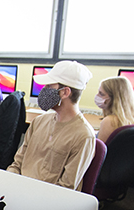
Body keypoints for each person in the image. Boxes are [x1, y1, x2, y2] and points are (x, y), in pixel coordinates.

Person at [6, 60, 96, 191]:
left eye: (48, 86)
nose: (43, 90)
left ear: (65, 92)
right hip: (19, 189)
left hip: (45, 200)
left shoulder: (84, 136)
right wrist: (7, 182)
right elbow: (17, 163)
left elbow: (66, 187)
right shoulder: (39, 122)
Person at [94, 75, 134, 142]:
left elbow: (99, 150)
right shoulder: (132, 118)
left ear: (115, 98)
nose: (97, 96)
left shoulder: (109, 121)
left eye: (101, 94)